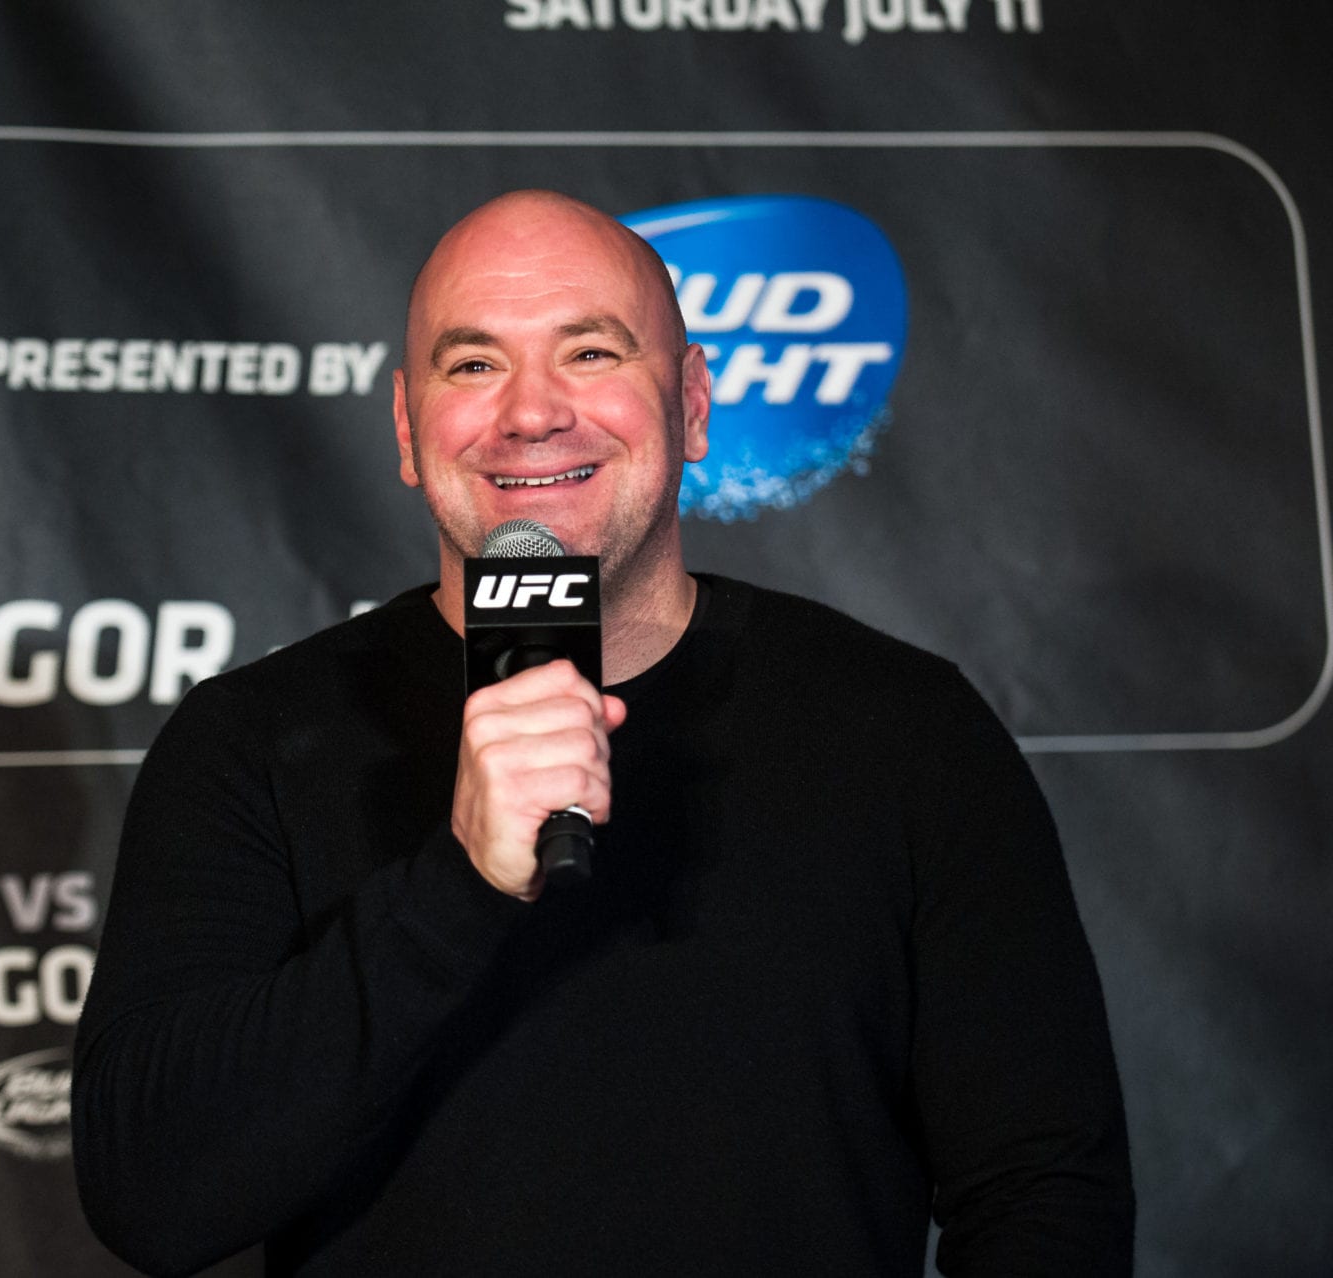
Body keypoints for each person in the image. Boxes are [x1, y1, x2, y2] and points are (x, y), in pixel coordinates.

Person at [73, 190, 1134, 1276]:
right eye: (474, 365)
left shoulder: (906, 730)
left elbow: (1045, 1191)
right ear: (406, 427)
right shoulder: (250, 743)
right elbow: (152, 1198)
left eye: (589, 353)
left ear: (693, 405)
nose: (532, 413)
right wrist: (459, 887)